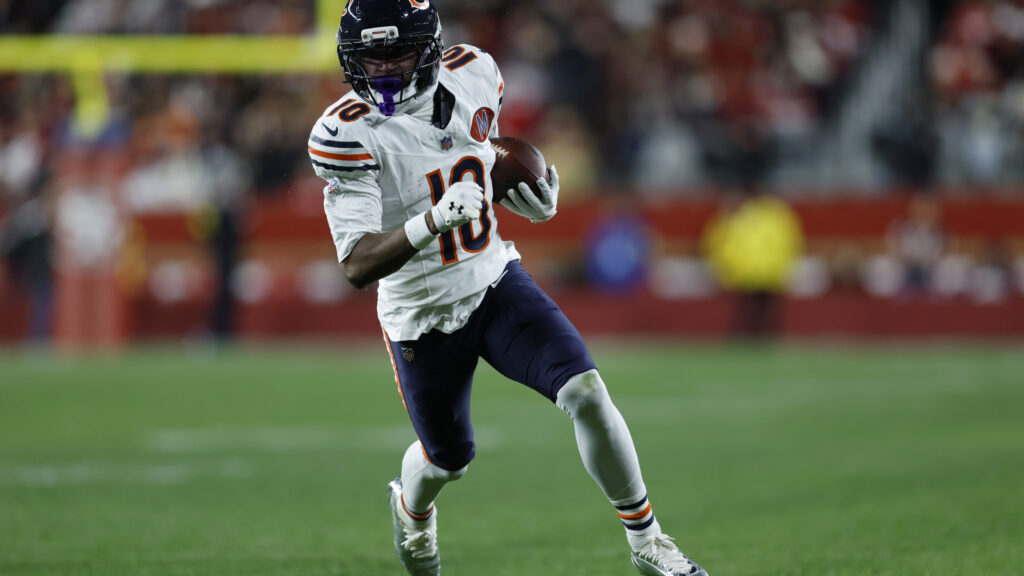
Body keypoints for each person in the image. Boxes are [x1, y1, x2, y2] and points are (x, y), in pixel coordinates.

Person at [307, 2, 708, 575]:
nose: (386, 69)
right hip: (421, 314)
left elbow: (474, 156)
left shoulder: (475, 73)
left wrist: (528, 192)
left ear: (429, 49)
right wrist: (433, 220)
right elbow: (356, 264)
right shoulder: (345, 133)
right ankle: (411, 508)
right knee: (448, 461)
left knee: (586, 391)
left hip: (492, 280)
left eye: (398, 53)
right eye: (372, 58)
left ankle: (648, 541)